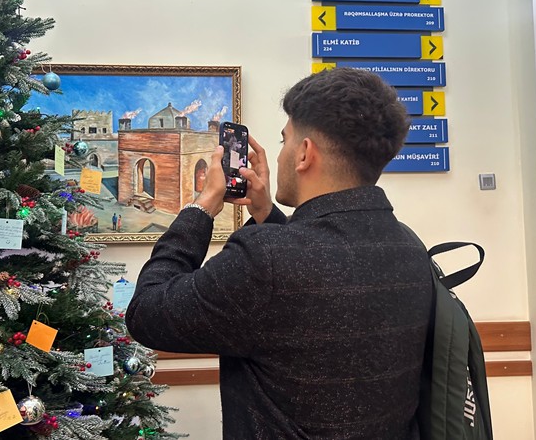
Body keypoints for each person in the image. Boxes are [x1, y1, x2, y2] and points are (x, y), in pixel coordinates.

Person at [126, 68, 433, 439]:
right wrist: (266, 214)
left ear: (304, 153)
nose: (282, 151)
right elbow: (319, 275)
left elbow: (147, 312)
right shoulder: (410, 248)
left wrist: (201, 207)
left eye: (284, 140)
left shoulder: (265, 259)